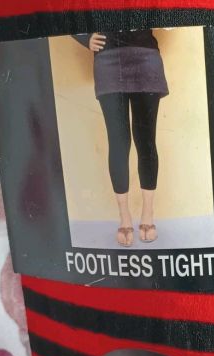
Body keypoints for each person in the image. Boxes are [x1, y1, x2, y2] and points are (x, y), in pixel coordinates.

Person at [73, 30, 168, 247]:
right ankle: (124, 217)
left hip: (146, 55)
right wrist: (83, 37)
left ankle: (148, 213)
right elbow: (59, 13)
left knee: (146, 141)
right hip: (108, 58)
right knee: (118, 143)